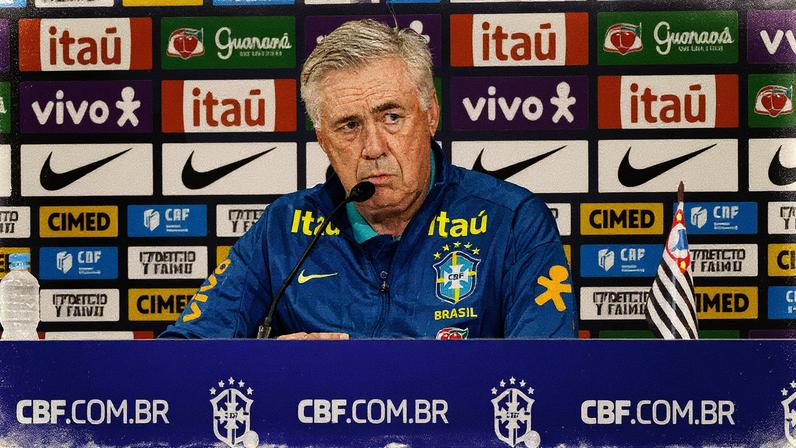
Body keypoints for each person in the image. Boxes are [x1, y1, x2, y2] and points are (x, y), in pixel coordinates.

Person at [160, 19, 575, 340]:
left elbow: (547, 375)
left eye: (391, 117)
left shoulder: (513, 221)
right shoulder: (283, 229)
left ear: (430, 115)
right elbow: (180, 353)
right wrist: (268, 365)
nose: (374, 146)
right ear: (323, 140)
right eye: (349, 126)